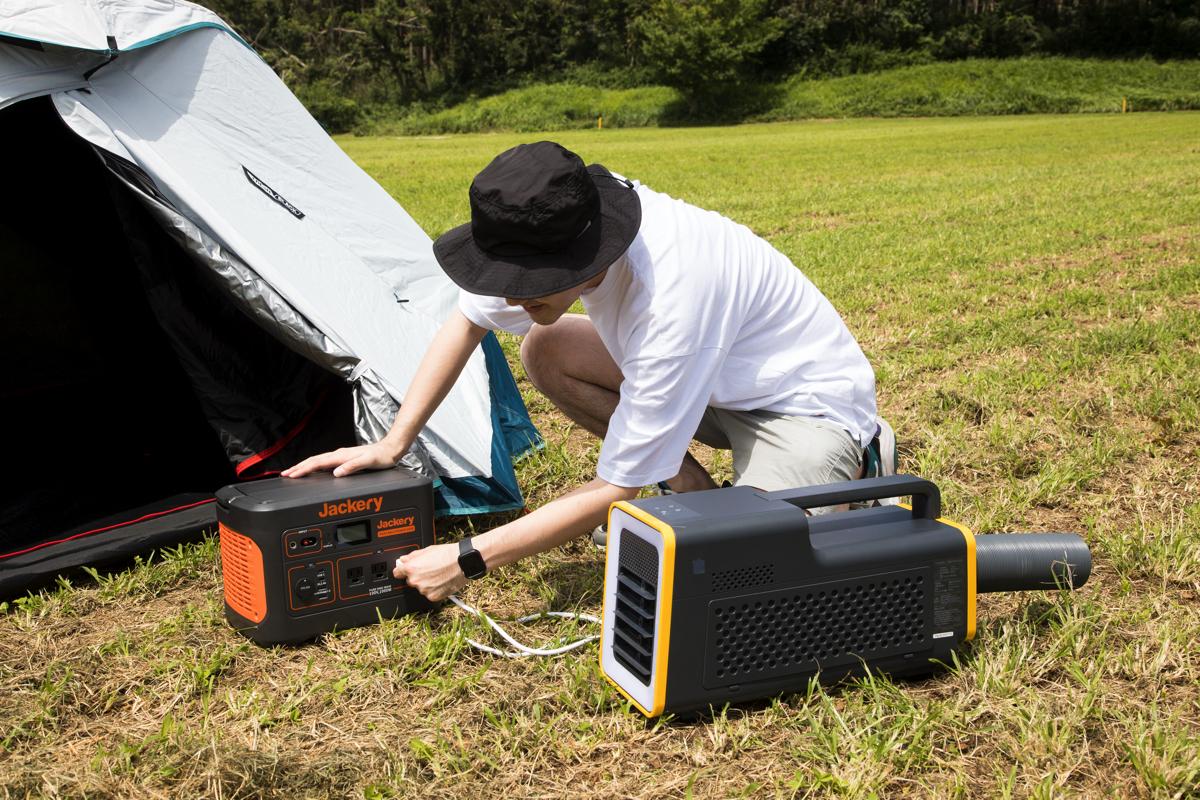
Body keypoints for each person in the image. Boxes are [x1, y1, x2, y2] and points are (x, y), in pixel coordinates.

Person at [282, 141, 893, 602]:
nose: (514, 300)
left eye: (528, 288)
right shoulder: (553, 220)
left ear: (584, 258)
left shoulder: (672, 296)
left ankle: (859, 459)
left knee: (753, 579)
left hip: (799, 407)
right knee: (545, 349)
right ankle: (694, 494)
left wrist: (466, 558)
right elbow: (465, 324)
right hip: (708, 380)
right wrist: (395, 441)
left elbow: (615, 487)